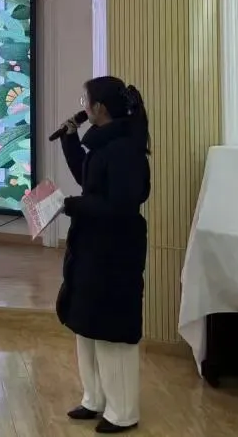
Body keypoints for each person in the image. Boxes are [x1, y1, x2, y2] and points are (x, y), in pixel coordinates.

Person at [56, 76, 151, 434]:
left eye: (85, 100)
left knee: (112, 330)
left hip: (115, 251)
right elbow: (90, 182)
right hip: (92, 246)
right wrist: (69, 140)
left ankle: (123, 411)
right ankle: (94, 398)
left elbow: (120, 206)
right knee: (88, 323)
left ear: (100, 108)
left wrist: (71, 205)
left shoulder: (125, 149)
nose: (82, 106)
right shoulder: (103, 141)